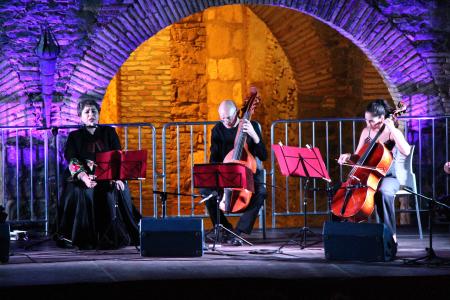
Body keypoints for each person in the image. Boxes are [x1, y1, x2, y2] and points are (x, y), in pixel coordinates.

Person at [58, 99, 140, 250]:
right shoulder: (74, 136)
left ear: (98, 114)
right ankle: (86, 237)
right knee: (83, 192)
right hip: (81, 177)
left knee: (117, 189)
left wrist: (118, 177)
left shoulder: (109, 132)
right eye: (87, 112)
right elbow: (72, 160)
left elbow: (118, 156)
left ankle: (113, 235)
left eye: (94, 111)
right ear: (80, 116)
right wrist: (84, 178)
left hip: (108, 176)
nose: (91, 114)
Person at [337, 99, 411, 243]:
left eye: (371, 121)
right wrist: (348, 157)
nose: (368, 124)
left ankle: (391, 238)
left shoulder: (391, 133)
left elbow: (406, 151)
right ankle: (345, 236)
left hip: (388, 177)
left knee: (383, 193)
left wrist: (393, 129)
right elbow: (358, 157)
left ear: (382, 118)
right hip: (367, 176)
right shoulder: (366, 131)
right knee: (342, 192)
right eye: (366, 120)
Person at [201, 100, 267, 246]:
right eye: (221, 118)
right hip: (226, 173)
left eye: (228, 118)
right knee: (206, 191)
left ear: (237, 112)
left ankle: (239, 232)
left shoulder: (252, 126)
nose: (225, 121)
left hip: (248, 173)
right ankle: (225, 229)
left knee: (261, 192)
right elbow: (214, 158)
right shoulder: (217, 130)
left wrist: (254, 136)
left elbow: (263, 156)